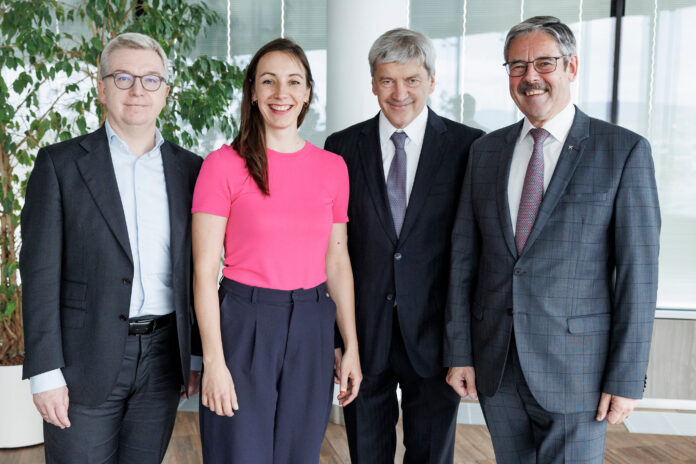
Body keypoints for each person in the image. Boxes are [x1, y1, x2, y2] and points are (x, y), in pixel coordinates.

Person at [444, 16, 661, 463]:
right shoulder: (486, 152)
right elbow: (465, 259)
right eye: (517, 67)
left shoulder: (622, 151)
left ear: (571, 67)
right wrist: (460, 351)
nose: (531, 77)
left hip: (579, 368)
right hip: (497, 362)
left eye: (544, 63)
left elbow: (638, 276)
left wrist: (625, 377)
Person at [20, 32, 203, 463]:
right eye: (122, 77)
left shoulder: (191, 169)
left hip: (162, 357)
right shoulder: (60, 164)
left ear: (166, 93)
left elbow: (196, 270)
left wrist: (193, 352)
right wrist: (44, 372)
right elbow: (40, 273)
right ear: (101, 88)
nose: (137, 89)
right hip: (83, 358)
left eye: (151, 79)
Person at [192, 38, 362, 463]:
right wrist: (213, 361)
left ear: (307, 92)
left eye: (293, 82)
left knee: (298, 455)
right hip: (245, 324)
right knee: (240, 454)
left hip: (311, 325)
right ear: (252, 91)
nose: (280, 94)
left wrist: (351, 346)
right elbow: (203, 270)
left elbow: (337, 262)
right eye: (268, 82)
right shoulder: (223, 165)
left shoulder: (332, 168)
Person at [324, 28, 484, 463]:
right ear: (373, 83)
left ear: (432, 81)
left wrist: (463, 347)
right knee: (366, 454)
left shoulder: (470, 147)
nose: (399, 92)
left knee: (432, 456)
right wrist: (338, 340)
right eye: (387, 80)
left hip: (436, 342)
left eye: (412, 79)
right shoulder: (340, 148)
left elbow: (474, 253)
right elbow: (332, 250)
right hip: (363, 337)